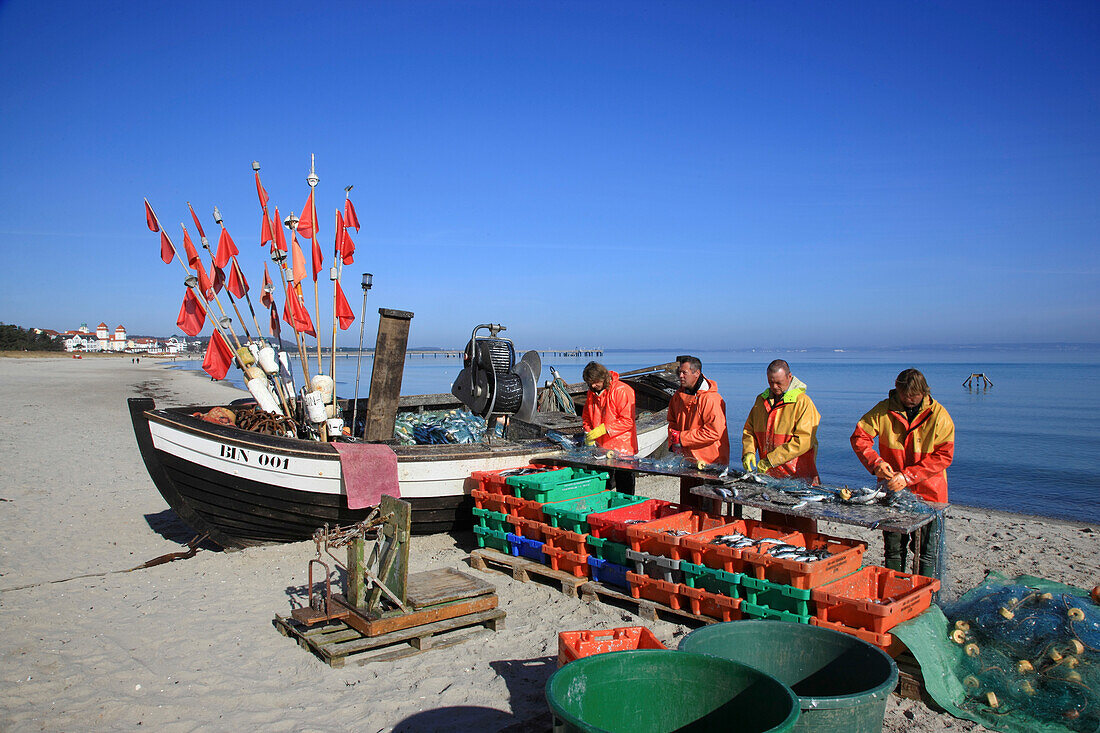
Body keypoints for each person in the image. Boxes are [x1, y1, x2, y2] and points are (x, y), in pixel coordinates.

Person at [851, 368, 955, 577]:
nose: (909, 399)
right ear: (897, 390)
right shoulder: (883, 410)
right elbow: (859, 437)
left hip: (930, 494)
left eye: (914, 396)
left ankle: (926, 596)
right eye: (905, 395)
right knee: (894, 549)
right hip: (892, 492)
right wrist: (876, 463)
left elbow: (944, 455)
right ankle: (895, 589)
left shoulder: (940, 416)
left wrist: (909, 476)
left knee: (926, 552)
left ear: (924, 393)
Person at [742, 359, 820, 531]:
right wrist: (748, 452)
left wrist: (771, 459)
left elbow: (803, 441)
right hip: (769, 479)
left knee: (802, 529)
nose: (774, 386)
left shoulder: (803, 403)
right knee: (771, 526)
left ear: (789, 377)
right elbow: (749, 430)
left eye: (778, 382)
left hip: (799, 478)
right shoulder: (760, 401)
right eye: (770, 382)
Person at [667, 356, 729, 505]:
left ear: (697, 373)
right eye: (679, 373)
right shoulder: (677, 396)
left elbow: (714, 432)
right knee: (688, 505)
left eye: (684, 373)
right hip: (687, 461)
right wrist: (673, 441)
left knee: (708, 510)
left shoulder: (711, 399)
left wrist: (681, 438)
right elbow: (672, 422)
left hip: (710, 463)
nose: (680, 376)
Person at [581, 361, 638, 494]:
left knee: (625, 489)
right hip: (601, 448)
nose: (593, 386)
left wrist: (603, 429)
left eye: (595, 382)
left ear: (603, 378)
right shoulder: (592, 392)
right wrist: (588, 431)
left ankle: (625, 511)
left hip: (623, 448)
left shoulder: (622, 390)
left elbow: (628, 421)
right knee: (603, 487)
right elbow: (586, 416)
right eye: (590, 383)